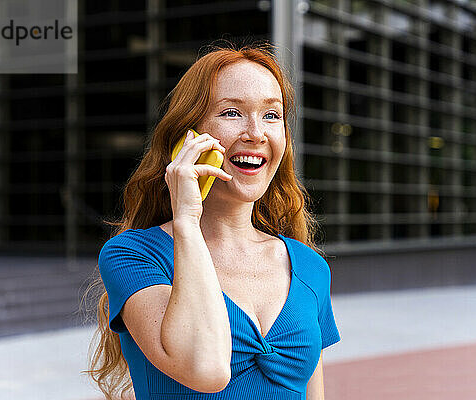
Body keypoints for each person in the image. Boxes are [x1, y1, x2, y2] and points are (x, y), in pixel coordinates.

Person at [85, 41, 340, 400]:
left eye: (271, 115)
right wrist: (186, 221)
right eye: (232, 113)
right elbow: (205, 369)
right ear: (187, 139)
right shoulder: (134, 255)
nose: (256, 133)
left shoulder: (310, 267)